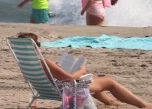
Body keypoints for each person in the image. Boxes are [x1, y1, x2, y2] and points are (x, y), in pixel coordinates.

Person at [16, 33, 152, 108]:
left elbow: (51, 77)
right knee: (109, 81)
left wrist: (57, 68)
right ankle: (143, 104)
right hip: (68, 89)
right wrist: (82, 69)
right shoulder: (45, 62)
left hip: (51, 88)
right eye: (38, 43)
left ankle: (110, 102)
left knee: (96, 79)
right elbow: (70, 78)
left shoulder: (24, 62)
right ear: (35, 46)